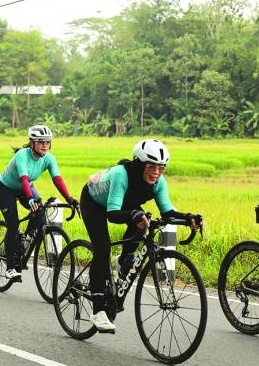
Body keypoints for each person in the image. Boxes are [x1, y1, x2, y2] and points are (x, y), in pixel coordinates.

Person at [81, 139, 202, 333]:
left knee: (141, 220)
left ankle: (123, 259)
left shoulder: (159, 182)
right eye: (151, 167)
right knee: (102, 249)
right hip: (94, 202)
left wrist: (189, 218)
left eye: (161, 168)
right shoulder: (122, 175)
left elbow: (167, 212)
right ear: (139, 164)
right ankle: (98, 310)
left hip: (124, 203)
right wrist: (133, 214)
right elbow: (113, 214)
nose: (156, 172)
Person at [0, 124, 78, 281]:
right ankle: (10, 267)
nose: (45, 145)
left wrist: (70, 199)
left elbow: (57, 179)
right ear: (32, 143)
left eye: (47, 142)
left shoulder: (49, 158)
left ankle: (23, 243)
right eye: (41, 142)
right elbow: (24, 179)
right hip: (6, 189)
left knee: (40, 212)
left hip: (26, 188)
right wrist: (31, 198)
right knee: (12, 224)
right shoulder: (22, 155)